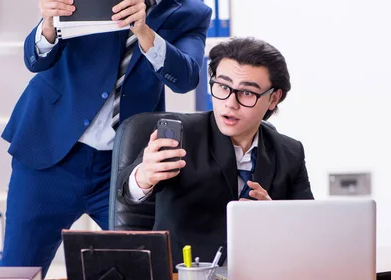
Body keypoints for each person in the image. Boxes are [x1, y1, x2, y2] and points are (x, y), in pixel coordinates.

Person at [1, 0, 213, 273]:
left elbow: (189, 76)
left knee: (142, 269)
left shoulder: (192, 14)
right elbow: (36, 61)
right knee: (18, 271)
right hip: (49, 156)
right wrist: (49, 24)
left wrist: (145, 31)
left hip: (120, 168)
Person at [117, 37, 314, 267]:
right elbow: (125, 190)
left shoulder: (289, 152)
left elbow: (307, 229)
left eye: (247, 93)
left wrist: (273, 217)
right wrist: (143, 177)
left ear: (273, 98)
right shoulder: (183, 137)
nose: (230, 103)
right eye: (223, 87)